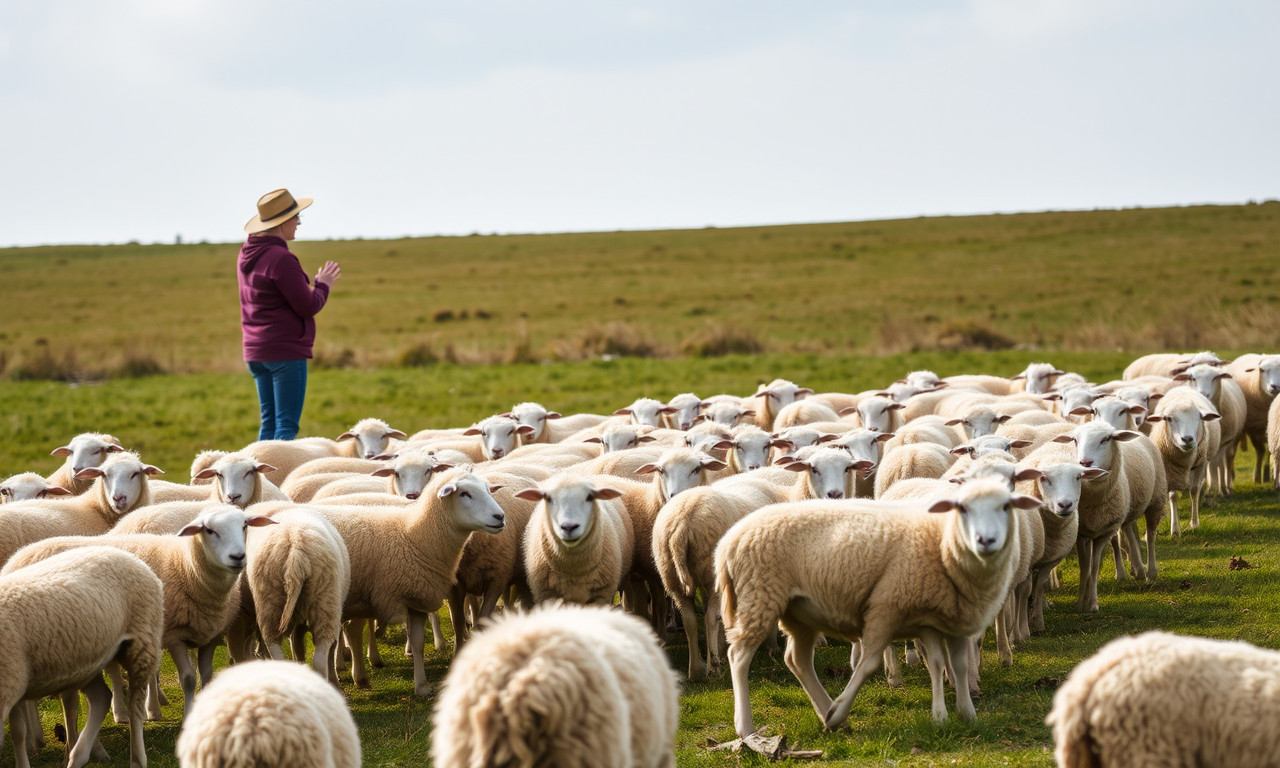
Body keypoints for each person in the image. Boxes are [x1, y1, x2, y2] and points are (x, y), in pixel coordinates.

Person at [237, 188, 341, 441]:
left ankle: (260, 479)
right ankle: (280, 479)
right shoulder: (281, 258)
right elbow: (307, 306)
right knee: (286, 427)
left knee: (269, 424)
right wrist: (323, 284)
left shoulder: (246, 254)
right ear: (282, 223)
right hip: (284, 351)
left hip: (256, 351)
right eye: (296, 218)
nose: (299, 223)